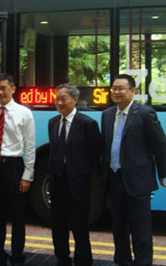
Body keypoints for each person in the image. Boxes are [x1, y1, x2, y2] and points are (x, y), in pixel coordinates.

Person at [100, 74, 166, 266]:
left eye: (121, 88)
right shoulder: (106, 115)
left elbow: (160, 145)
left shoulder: (145, 114)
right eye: (114, 88)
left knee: (141, 229)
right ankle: (122, 260)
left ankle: (143, 262)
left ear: (133, 91)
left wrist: (162, 173)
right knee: (118, 226)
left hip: (138, 180)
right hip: (114, 179)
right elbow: (104, 147)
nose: (116, 92)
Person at [0, 73, 36, 266]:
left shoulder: (24, 113)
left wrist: (27, 175)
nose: (0, 92)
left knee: (17, 215)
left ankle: (17, 255)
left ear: (13, 89)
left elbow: (30, 146)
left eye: (4, 88)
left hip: (14, 167)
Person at [48, 84, 101, 266]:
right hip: (57, 181)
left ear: (75, 100)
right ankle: (61, 257)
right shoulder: (53, 122)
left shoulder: (87, 124)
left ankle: (83, 260)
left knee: (79, 225)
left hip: (78, 182)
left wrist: (81, 172)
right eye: (57, 99)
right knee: (58, 224)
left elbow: (95, 153)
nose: (59, 103)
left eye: (63, 99)